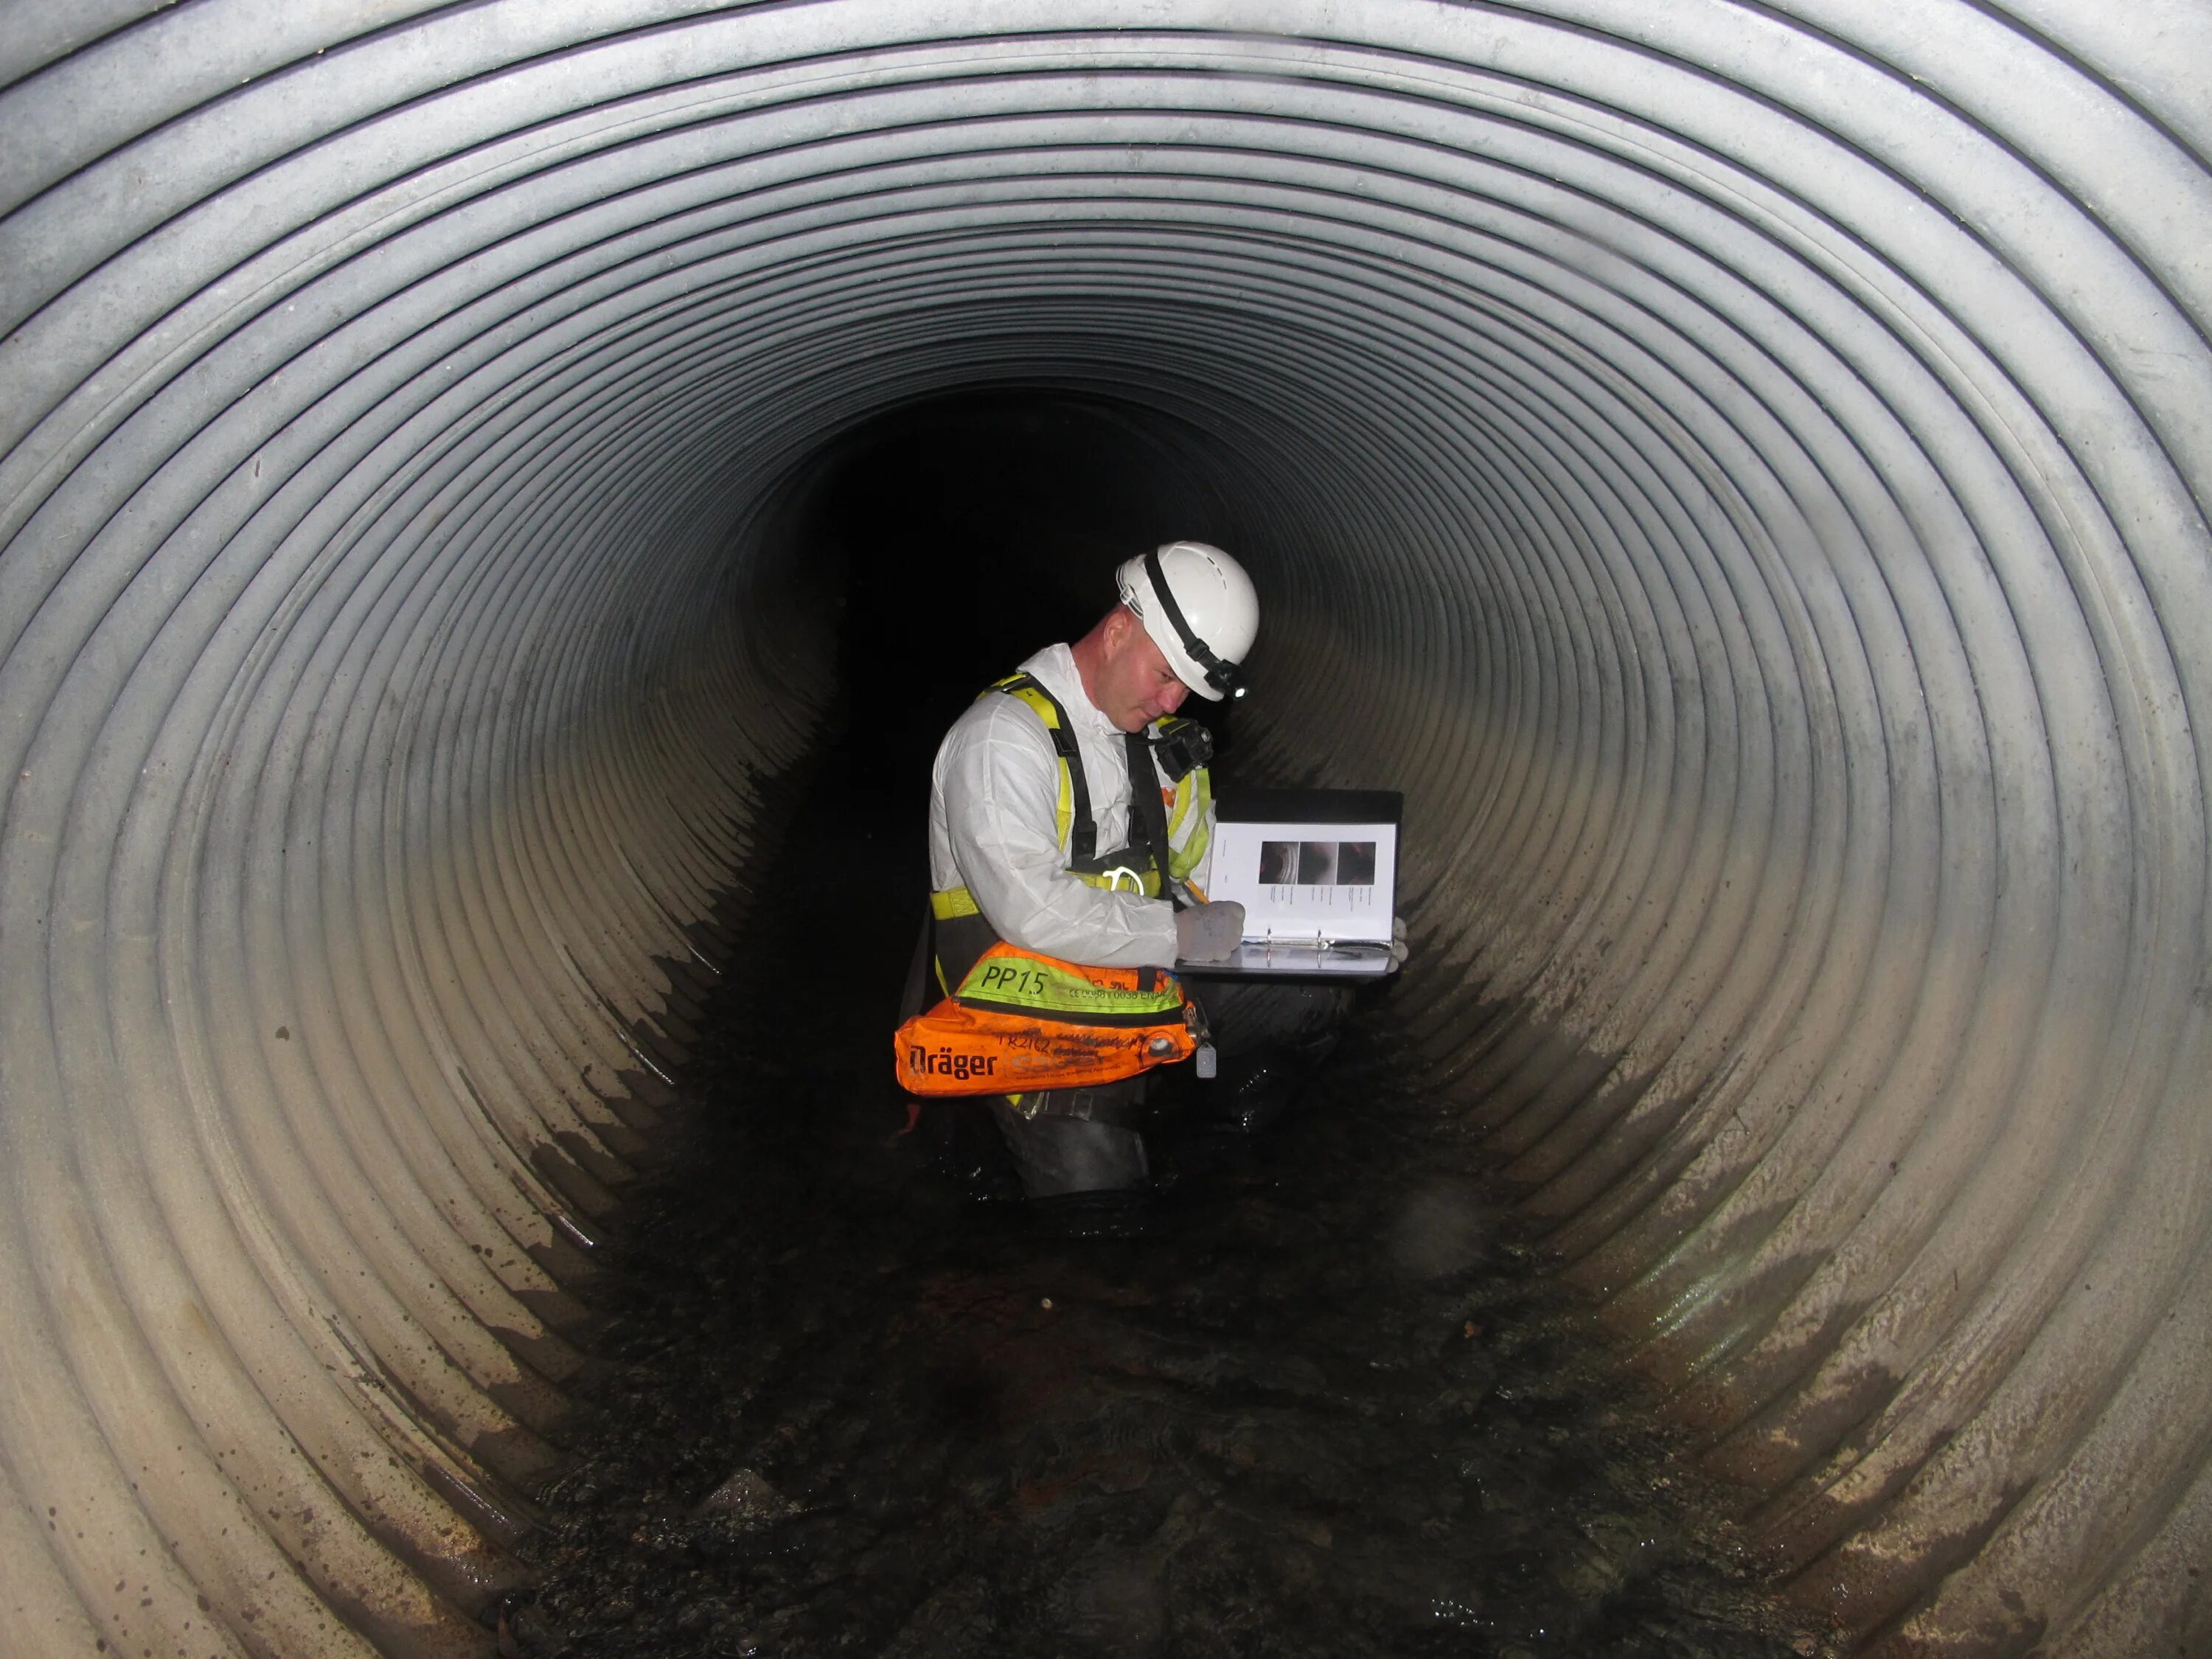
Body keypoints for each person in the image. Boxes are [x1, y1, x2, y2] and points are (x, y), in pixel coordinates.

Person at [912, 540, 1349, 1208]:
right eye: (1165, 675)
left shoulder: (1152, 739)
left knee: (1307, 996)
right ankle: (1052, 1147)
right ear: (1118, 631)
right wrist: (1178, 934)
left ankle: (1208, 1167)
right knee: (1104, 1222)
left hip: (1128, 988)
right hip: (1028, 1020)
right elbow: (1032, 912)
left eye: (1187, 690)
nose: (1172, 701)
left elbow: (1202, 868)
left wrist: (1334, 926)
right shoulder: (1001, 739)